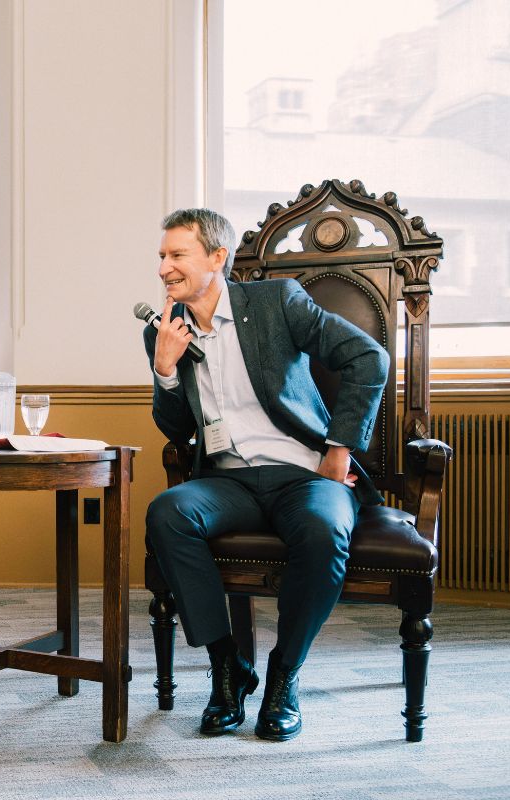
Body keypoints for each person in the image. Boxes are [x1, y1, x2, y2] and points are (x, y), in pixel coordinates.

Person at [143, 208, 387, 741]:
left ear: (216, 257)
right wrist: (164, 370)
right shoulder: (163, 330)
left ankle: (283, 677)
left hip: (301, 473)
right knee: (167, 512)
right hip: (228, 480)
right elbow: (178, 430)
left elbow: (369, 358)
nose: (164, 268)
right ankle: (227, 666)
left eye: (177, 255)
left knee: (324, 530)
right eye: (162, 256)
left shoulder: (277, 302)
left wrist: (340, 449)